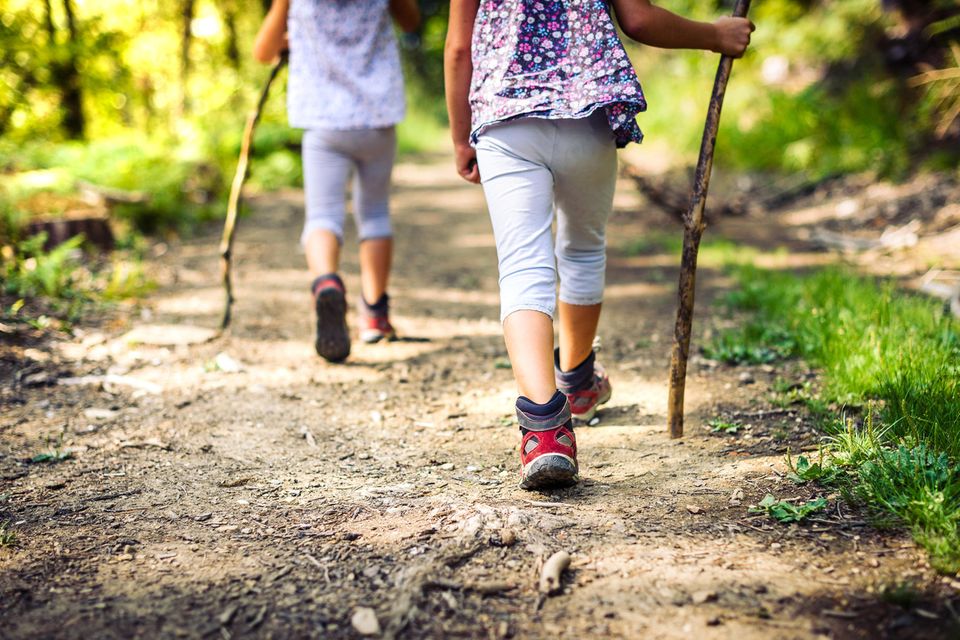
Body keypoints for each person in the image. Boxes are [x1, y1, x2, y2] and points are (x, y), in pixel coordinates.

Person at [444, 0, 753, 490]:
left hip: (506, 118)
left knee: (523, 266)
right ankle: (577, 381)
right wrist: (715, 35)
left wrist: (462, 137)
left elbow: (460, 48)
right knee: (583, 249)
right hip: (585, 113)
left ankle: (545, 431)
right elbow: (639, 19)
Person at [253, 0, 421, 363]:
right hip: (377, 117)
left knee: (322, 216)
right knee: (375, 214)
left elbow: (263, 51)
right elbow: (411, 21)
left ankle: (326, 281)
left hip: (323, 121)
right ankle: (375, 315)